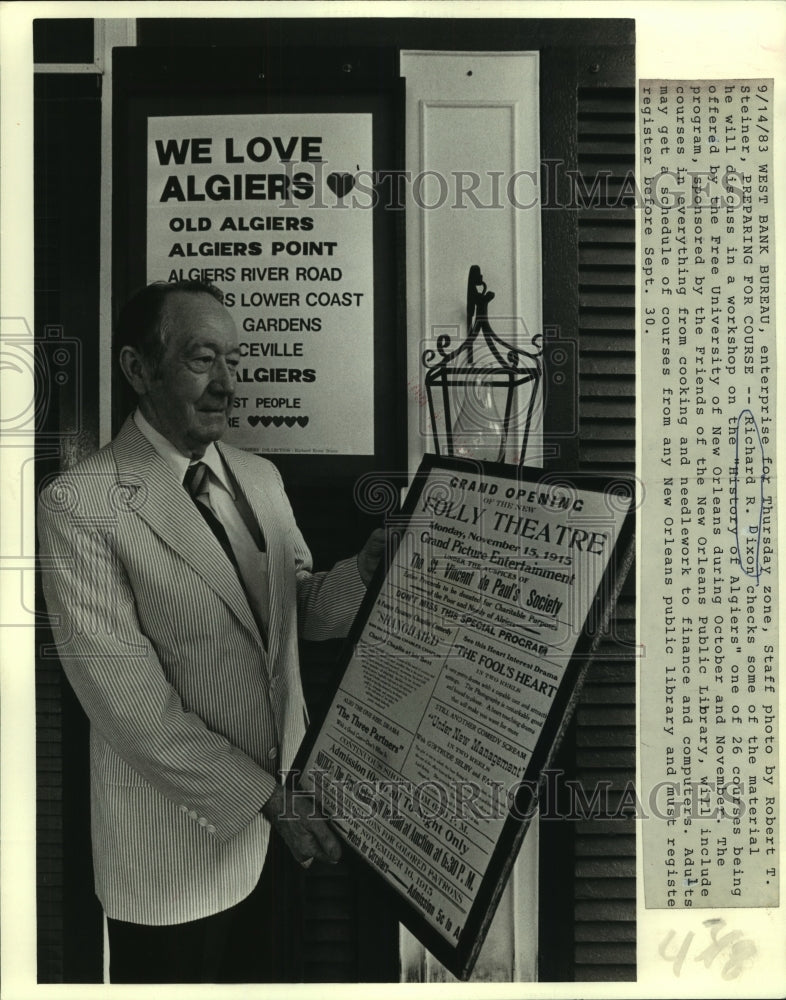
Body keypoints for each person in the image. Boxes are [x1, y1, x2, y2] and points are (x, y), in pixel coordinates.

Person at [38, 280, 385, 983]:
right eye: (204, 359)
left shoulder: (259, 478)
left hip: (281, 838)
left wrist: (372, 568)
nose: (229, 382)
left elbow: (305, 616)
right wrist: (267, 799)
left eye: (235, 359)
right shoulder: (80, 504)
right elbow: (129, 706)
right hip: (174, 851)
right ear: (139, 369)